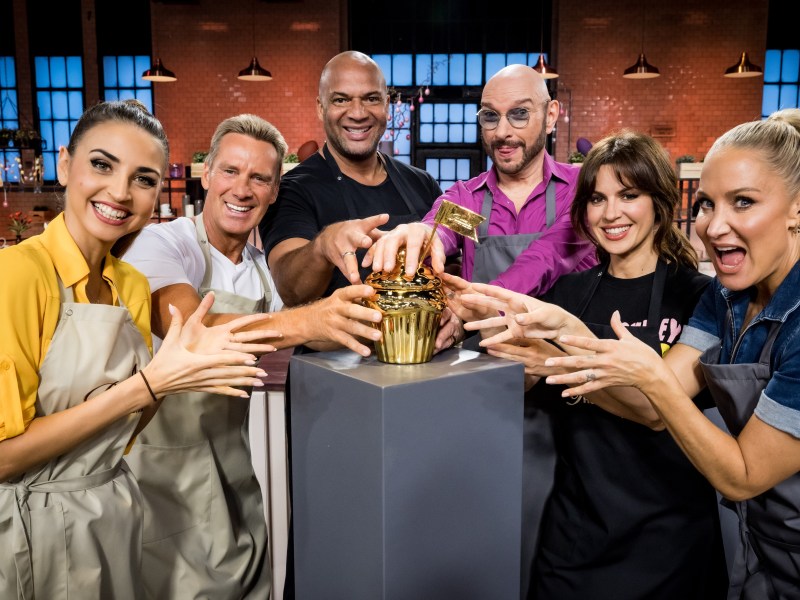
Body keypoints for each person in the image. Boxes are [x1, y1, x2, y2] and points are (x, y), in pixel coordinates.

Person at [479, 110, 800, 598]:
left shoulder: (705, 293)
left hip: (699, 539)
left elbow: (740, 473)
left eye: (743, 202)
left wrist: (598, 356)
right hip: (749, 549)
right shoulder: (725, 300)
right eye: (708, 204)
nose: (715, 226)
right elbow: (654, 406)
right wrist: (544, 347)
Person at [0, 100, 271, 599]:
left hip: (115, 521)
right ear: (65, 165)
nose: (120, 192)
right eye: (102, 165)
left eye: (143, 179)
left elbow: (124, 430)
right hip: (35, 533)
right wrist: (151, 384)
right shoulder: (19, 274)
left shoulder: (130, 284)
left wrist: (168, 381)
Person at [454, 131, 728, 599]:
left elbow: (656, 409)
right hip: (576, 538)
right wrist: (497, 343)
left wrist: (564, 355)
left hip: (671, 537)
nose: (611, 213)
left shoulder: (701, 298)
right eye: (597, 199)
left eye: (629, 195)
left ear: (660, 202)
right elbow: (524, 387)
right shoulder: (567, 293)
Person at [123, 114, 384, 599]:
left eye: (260, 178)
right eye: (230, 171)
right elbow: (190, 329)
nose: (242, 190)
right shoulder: (163, 243)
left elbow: (320, 333)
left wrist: (383, 315)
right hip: (159, 477)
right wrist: (312, 319)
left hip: (232, 472)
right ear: (207, 174)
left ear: (274, 191)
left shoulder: (264, 271)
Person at [366, 63, 596, 297]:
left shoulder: (583, 188)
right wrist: (424, 234)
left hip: (547, 325)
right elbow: (442, 230)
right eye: (490, 116)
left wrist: (478, 305)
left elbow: (547, 257)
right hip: (479, 322)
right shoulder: (469, 201)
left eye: (520, 114)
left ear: (550, 116)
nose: (501, 132)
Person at [261, 50, 442, 306]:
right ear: (321, 108)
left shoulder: (423, 183)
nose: (358, 113)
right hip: (338, 335)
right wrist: (322, 246)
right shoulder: (293, 189)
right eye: (341, 100)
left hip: (418, 331)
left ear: (386, 106)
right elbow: (289, 287)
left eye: (371, 98)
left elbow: (452, 262)